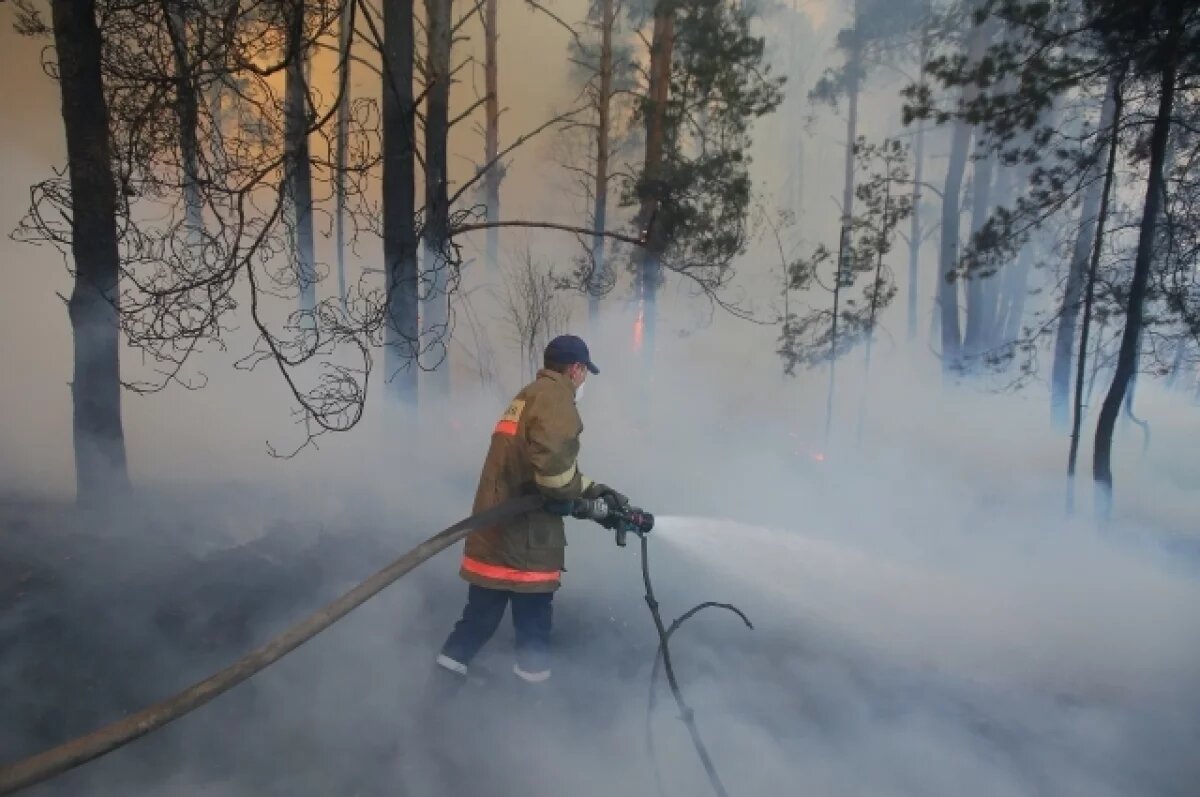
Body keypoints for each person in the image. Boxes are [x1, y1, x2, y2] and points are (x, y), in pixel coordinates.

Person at [435, 334, 629, 685]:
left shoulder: (528, 396)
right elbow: (554, 479)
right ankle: (532, 706)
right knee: (534, 630)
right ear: (576, 368)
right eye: (584, 372)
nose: (583, 381)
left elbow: (545, 467)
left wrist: (596, 490)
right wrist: (590, 508)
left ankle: (437, 693)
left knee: (476, 621)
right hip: (526, 543)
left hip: (493, 534)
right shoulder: (557, 400)